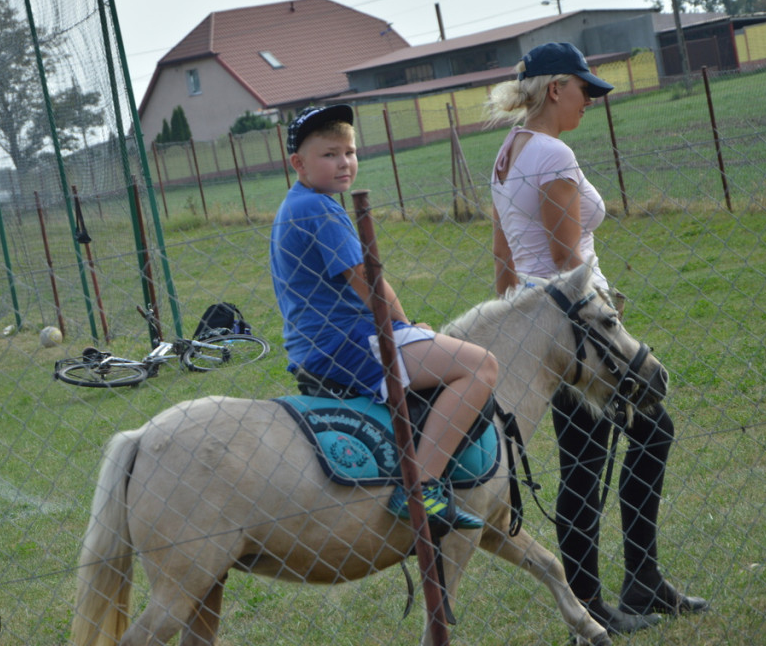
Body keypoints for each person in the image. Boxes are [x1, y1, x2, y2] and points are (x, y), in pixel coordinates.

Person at [485, 43, 709, 633]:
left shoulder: (507, 155)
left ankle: (635, 582)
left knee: (618, 443)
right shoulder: (552, 153)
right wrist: (600, 324)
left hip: (543, 329)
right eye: (585, 89)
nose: (591, 100)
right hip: (576, 330)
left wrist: (515, 330)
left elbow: (504, 261)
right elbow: (564, 259)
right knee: (598, 456)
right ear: (555, 88)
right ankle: (602, 598)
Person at [270, 104, 499, 532]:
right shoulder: (319, 209)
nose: (344, 163)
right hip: (347, 343)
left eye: (350, 152)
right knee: (480, 365)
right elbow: (368, 283)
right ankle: (422, 487)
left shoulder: (296, 204)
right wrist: (407, 326)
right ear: (298, 163)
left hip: (322, 343)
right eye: (329, 154)